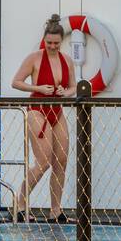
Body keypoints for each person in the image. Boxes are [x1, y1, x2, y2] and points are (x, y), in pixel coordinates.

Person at [11, 14, 76, 223]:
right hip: (37, 110)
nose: (52, 47)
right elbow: (16, 82)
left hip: (57, 110)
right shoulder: (34, 58)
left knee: (62, 161)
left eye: (56, 43)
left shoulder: (67, 60)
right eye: (49, 43)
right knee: (43, 162)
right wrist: (38, 88)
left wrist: (65, 92)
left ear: (61, 42)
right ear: (44, 40)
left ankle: (55, 211)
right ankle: (19, 205)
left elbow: (73, 86)